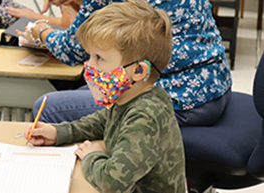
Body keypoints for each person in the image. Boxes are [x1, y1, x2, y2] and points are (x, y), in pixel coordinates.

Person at [24, 1, 186, 192]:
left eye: (99, 58)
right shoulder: (132, 97)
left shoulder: (146, 116)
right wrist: (60, 132)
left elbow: (112, 182)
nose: (89, 66)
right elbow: (103, 121)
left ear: (138, 71)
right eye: (90, 56)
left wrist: (93, 155)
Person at [19, 0, 232, 126]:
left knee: (47, 108)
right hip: (215, 86)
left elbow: (72, 51)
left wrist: (40, 30)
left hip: (178, 98)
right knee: (85, 89)